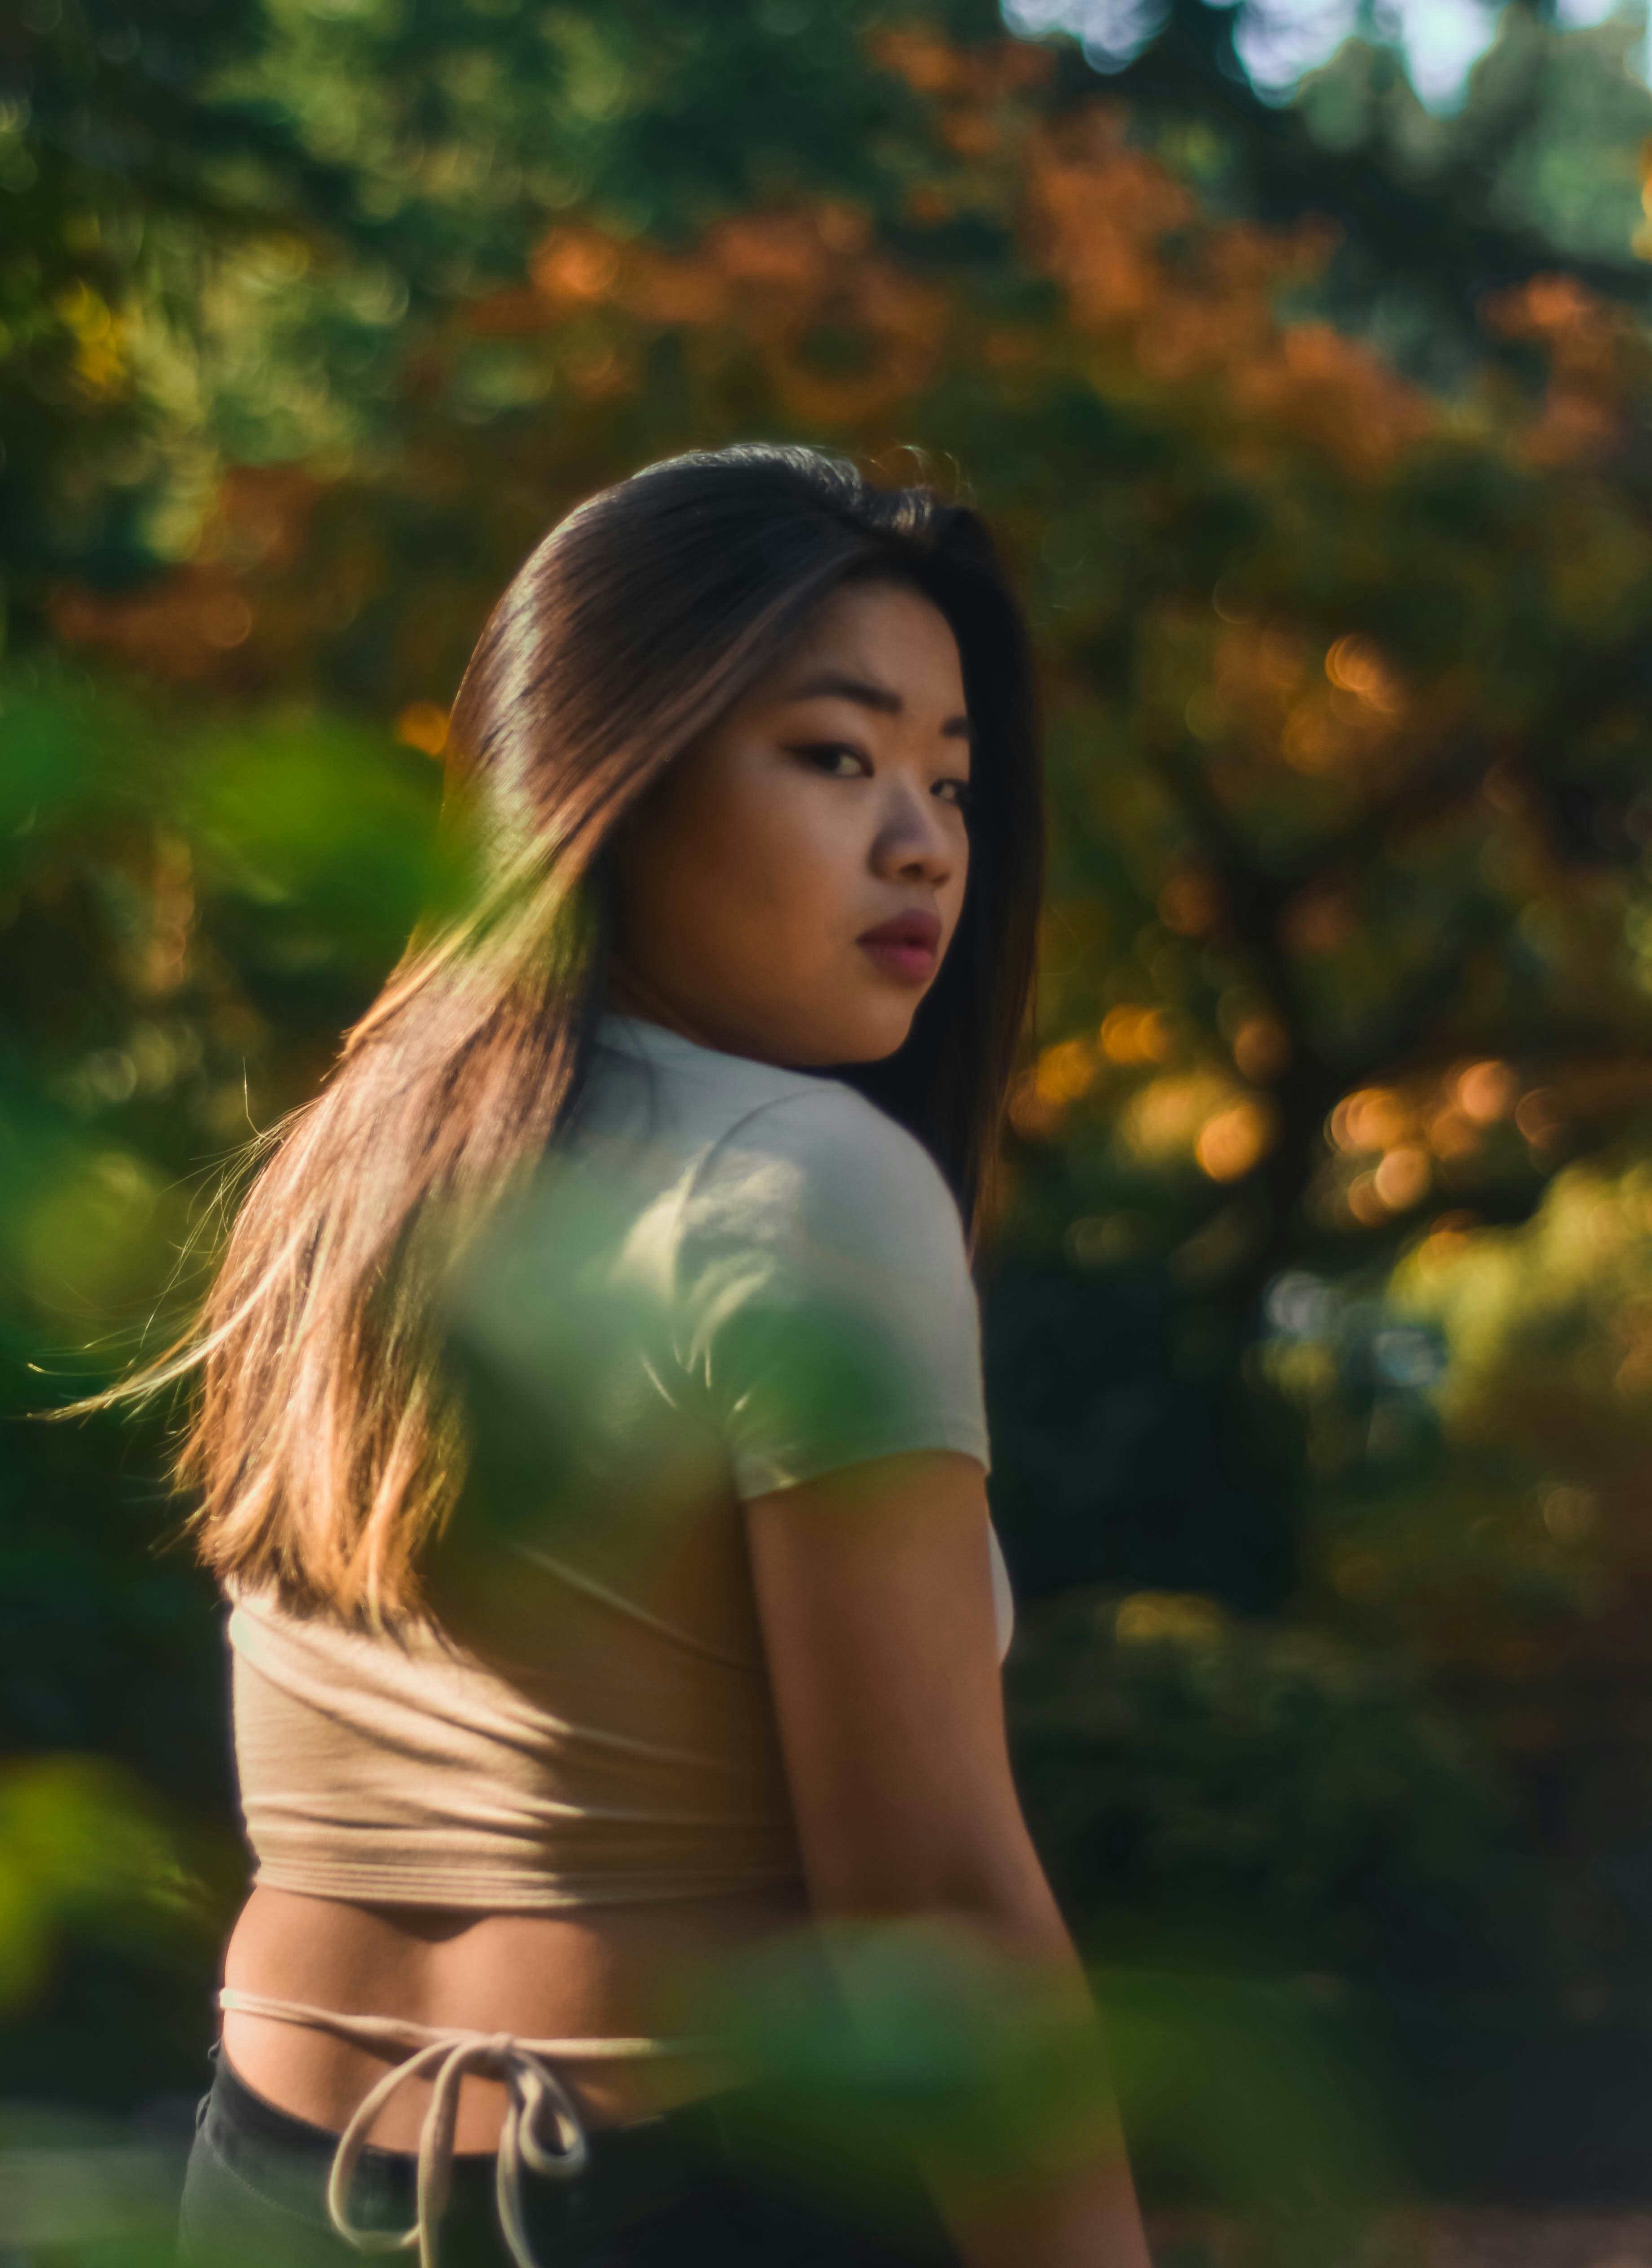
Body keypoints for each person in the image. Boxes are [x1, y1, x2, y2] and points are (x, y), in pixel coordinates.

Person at [148, 446, 1152, 2268]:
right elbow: (926, 1902)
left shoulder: (342, 1162)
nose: (922, 839)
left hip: (270, 2172)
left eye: (950, 779)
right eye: (835, 757)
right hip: (678, 2196)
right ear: (612, 769)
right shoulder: (814, 1182)